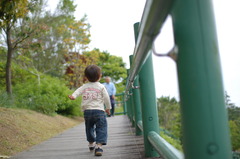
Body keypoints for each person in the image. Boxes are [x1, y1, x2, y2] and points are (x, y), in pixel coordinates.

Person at [68, 65, 111, 156]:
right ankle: (99, 147)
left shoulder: (84, 86)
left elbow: (78, 91)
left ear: (86, 77)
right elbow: (106, 98)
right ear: (100, 76)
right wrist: (108, 108)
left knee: (89, 127)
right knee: (101, 128)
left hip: (87, 111)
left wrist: (73, 96)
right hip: (99, 111)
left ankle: (91, 143)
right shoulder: (101, 86)